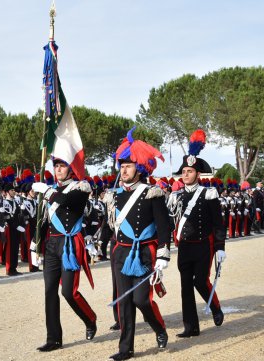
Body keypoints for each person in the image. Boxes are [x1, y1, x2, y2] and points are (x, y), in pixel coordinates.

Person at [103, 128, 171, 360]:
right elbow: (110, 224)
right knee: (124, 302)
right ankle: (126, 349)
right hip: (121, 252)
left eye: (129, 166)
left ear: (139, 169)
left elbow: (164, 227)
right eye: (121, 166)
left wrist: (163, 255)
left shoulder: (152, 193)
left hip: (144, 252)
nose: (123, 170)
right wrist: (97, 241)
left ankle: (159, 328)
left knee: (141, 299)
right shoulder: (115, 195)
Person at [32, 158, 96, 352]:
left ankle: (90, 318)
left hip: (69, 243)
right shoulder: (49, 190)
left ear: (71, 168)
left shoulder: (80, 187)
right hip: (52, 244)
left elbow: (69, 203)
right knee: (49, 291)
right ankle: (54, 338)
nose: (58, 170)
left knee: (69, 292)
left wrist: (47, 191)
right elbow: (44, 220)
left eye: (62, 166)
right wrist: (35, 244)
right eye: (56, 166)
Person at [168, 129, 226, 338]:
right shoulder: (175, 196)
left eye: (190, 171)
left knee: (200, 281)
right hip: (185, 245)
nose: (186, 174)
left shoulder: (208, 193)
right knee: (185, 287)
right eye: (183, 171)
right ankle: (190, 326)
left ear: (197, 174)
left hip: (203, 244)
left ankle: (216, 308)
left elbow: (218, 223)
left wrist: (220, 247)